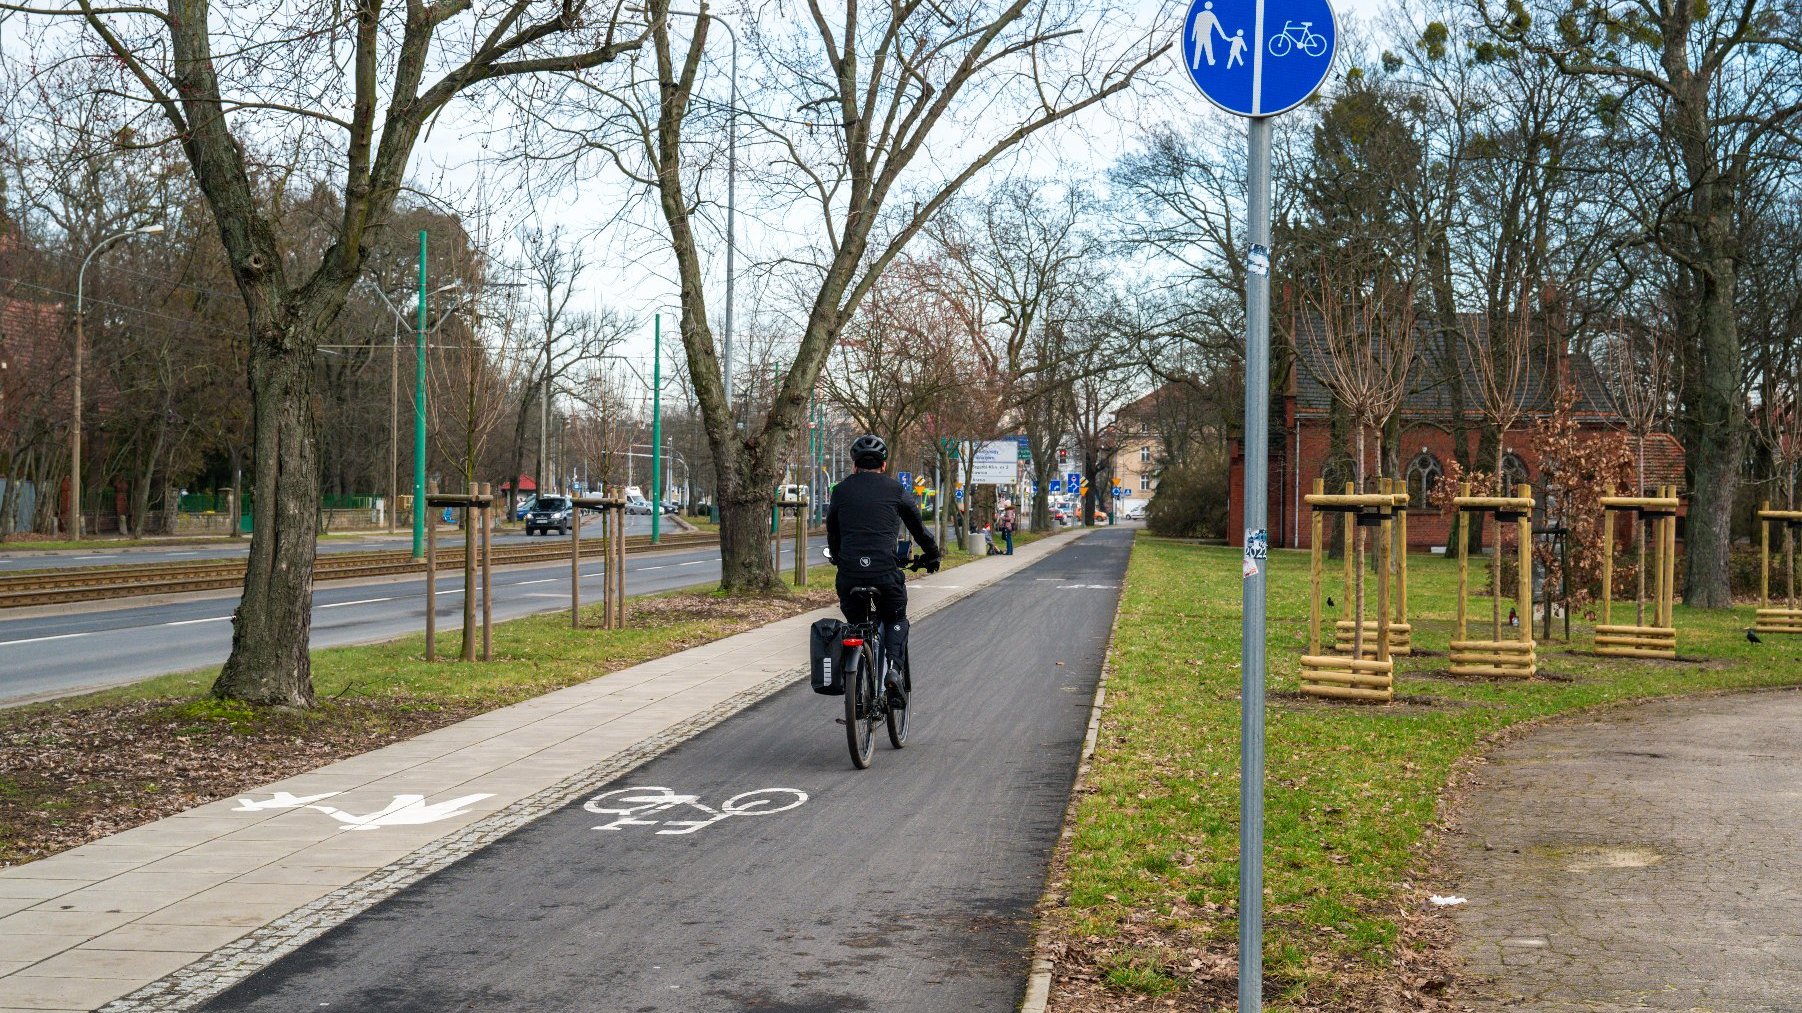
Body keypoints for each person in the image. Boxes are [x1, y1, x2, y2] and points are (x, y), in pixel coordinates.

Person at [827, 434, 941, 705]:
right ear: (884, 465)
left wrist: (839, 558)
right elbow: (918, 529)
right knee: (896, 618)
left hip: (850, 575)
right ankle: (894, 672)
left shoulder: (840, 491)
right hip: (885, 573)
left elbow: (833, 532)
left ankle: (856, 674)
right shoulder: (895, 490)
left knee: (855, 623)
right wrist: (932, 555)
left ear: (854, 465)